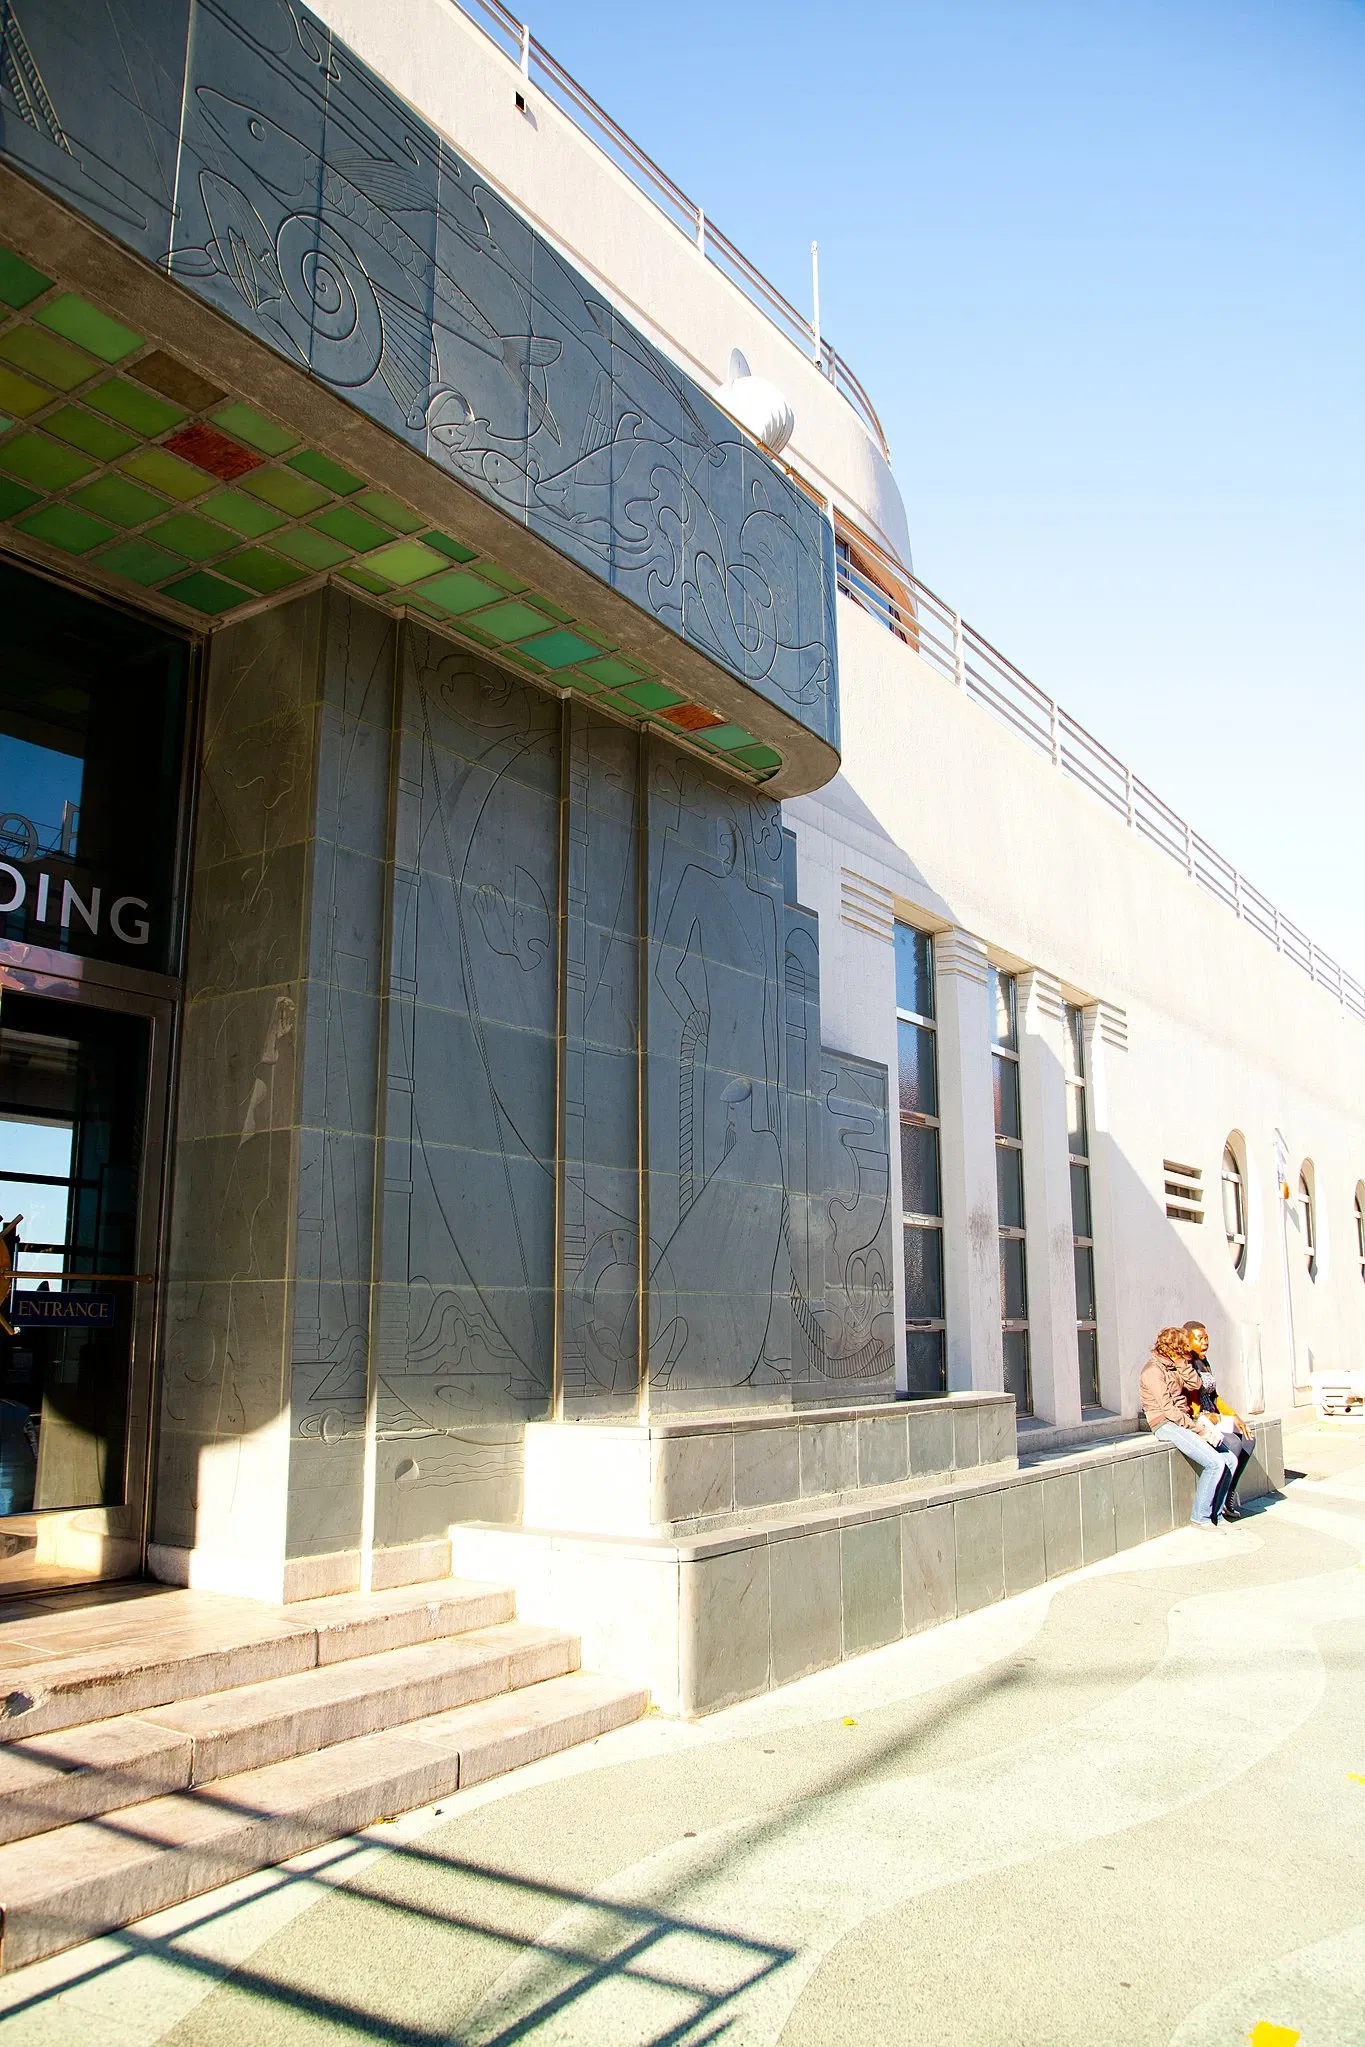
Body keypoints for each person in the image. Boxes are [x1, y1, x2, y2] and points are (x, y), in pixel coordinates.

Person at [1139, 1325, 1239, 1528]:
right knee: (1215, 1463)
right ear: (1172, 1349)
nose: (1186, 1354)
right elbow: (1168, 1411)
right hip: (1166, 1424)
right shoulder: (1153, 1371)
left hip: (1184, 1421)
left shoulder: (1175, 1365)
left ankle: (1216, 1515)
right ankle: (1200, 1517)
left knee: (1229, 1459)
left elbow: (1196, 1385)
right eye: (1182, 1350)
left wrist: (1182, 1364)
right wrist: (1198, 1429)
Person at [1182, 1320, 1255, 1520]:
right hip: (1200, 1418)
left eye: (1206, 1337)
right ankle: (1218, 1500)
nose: (1205, 1341)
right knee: (1232, 1443)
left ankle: (1230, 1492)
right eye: (1200, 1338)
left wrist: (1234, 1417)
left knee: (1248, 1438)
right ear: (1188, 1339)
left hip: (1215, 1415)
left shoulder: (1204, 1362)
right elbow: (1185, 1399)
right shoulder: (1185, 1363)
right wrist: (1204, 1416)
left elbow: (1214, 1396)